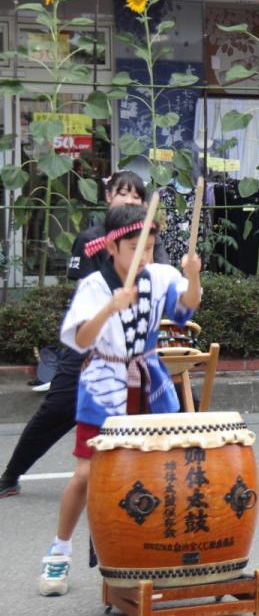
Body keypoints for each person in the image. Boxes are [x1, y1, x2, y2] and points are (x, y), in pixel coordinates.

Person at [38, 204, 202, 596]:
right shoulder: (94, 286)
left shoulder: (161, 276)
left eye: (149, 247)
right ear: (112, 247)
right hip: (104, 381)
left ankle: (150, 554)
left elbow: (185, 310)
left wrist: (193, 277)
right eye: (134, 248)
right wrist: (111, 306)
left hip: (148, 379)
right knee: (86, 473)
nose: (143, 257)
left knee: (159, 470)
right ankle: (59, 552)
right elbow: (78, 340)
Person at [0, 172, 165, 500]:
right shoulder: (92, 238)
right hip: (93, 342)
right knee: (58, 408)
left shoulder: (151, 240)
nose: (128, 201)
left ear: (144, 203)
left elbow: (159, 283)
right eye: (122, 194)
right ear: (108, 197)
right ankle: (11, 473)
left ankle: (155, 484)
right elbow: (86, 294)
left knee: (156, 406)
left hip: (132, 346)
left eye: (135, 197)